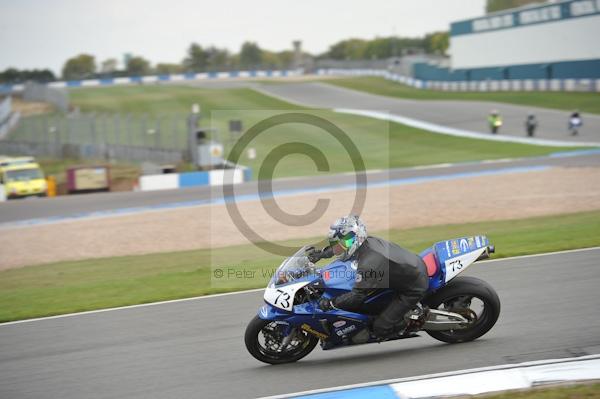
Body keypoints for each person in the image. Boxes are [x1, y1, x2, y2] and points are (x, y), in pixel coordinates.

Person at [307, 215, 428, 339]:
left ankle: (414, 319)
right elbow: (343, 245)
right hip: (403, 271)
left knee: (380, 328)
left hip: (413, 286)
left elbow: (356, 297)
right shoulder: (365, 244)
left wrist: (330, 303)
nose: (340, 245)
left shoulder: (369, 263)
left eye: (343, 240)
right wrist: (321, 254)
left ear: (357, 237)